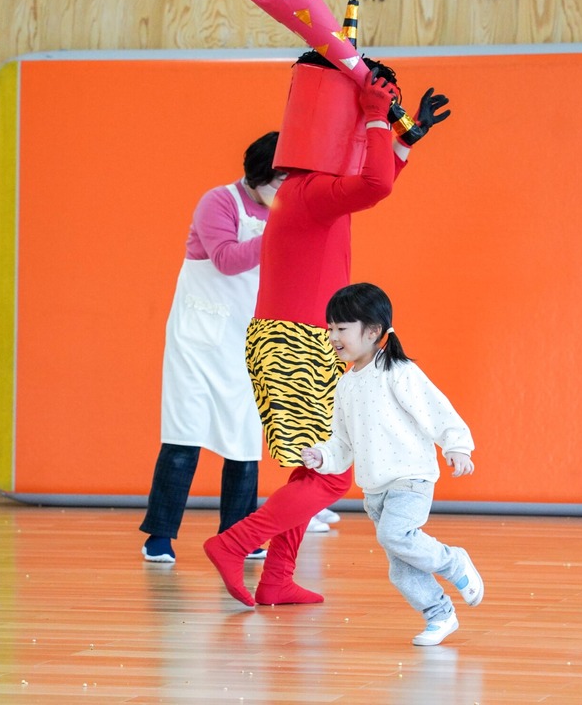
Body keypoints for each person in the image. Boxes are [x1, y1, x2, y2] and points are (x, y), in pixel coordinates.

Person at [203, 49, 451, 606]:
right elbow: (375, 184)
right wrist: (377, 116)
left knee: (314, 467)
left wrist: (401, 138)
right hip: (294, 342)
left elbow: (372, 179)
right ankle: (235, 544)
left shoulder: (310, 191)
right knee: (333, 475)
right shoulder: (310, 192)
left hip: (303, 340)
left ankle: (277, 579)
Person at [300, 283, 483, 646]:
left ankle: (453, 562)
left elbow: (437, 410)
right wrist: (323, 456)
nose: (333, 336)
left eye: (341, 328)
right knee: (400, 571)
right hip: (376, 491)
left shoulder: (397, 371)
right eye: (330, 328)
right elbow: (342, 443)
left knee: (395, 535)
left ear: (371, 331)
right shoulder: (346, 386)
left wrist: (457, 446)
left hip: (410, 480)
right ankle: (440, 615)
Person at [140, 132, 280, 563]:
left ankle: (238, 534)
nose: (285, 191)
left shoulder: (287, 208)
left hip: (246, 337)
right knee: (184, 434)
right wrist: (283, 234)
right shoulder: (218, 202)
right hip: (198, 340)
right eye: (280, 182)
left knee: (243, 438)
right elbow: (225, 259)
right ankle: (159, 536)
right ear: (258, 176)